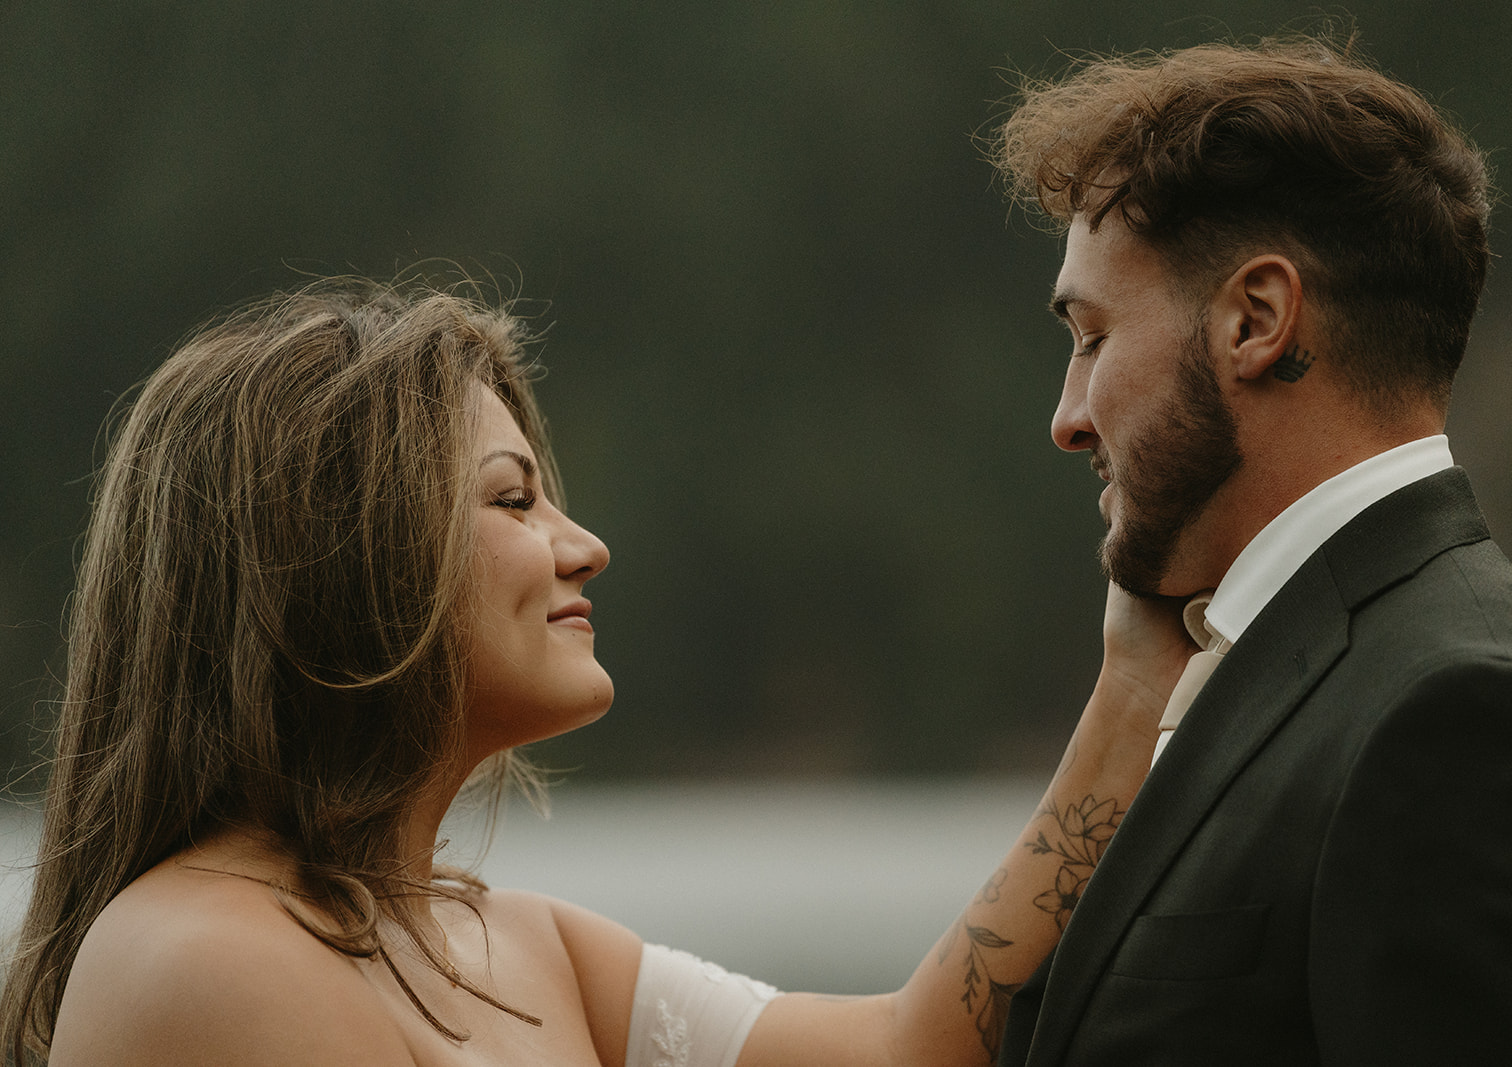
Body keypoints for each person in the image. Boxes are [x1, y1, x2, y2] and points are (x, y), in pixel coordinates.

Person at [0, 278, 1192, 1066]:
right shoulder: (204, 952)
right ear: (341, 554)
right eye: (515, 498)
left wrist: (1137, 682)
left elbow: (905, 1048)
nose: (583, 545)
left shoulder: (527, 946)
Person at [990, 34, 1512, 1065]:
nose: (1067, 416)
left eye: (1092, 335)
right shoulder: (1310, 661)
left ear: (1256, 319)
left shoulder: (1459, 709)